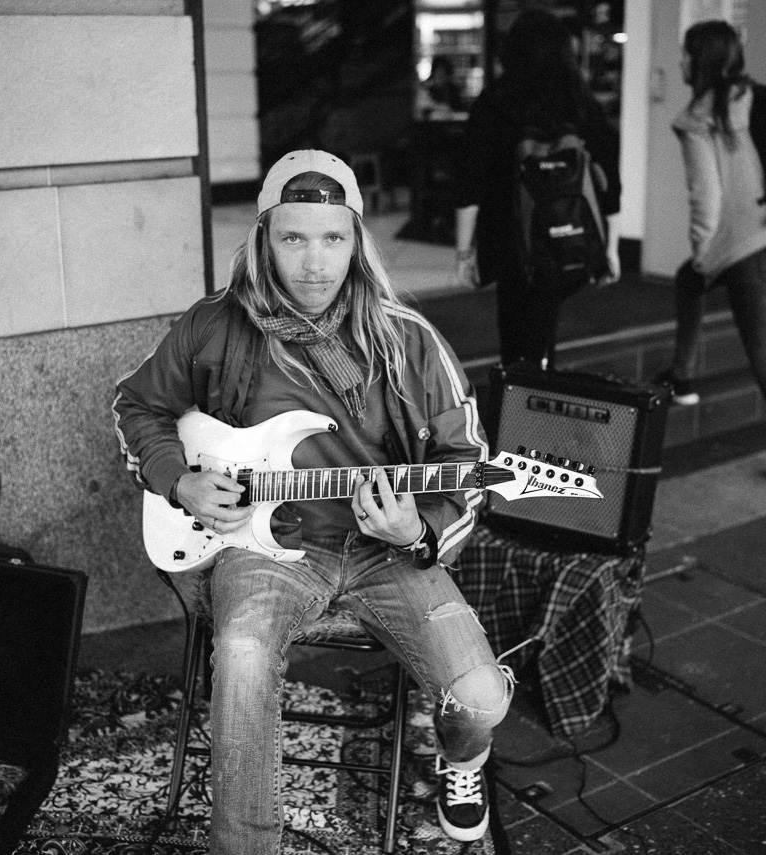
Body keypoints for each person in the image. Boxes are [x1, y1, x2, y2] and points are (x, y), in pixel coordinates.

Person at [112, 150, 514, 853]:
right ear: (264, 237)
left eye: (333, 237)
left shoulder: (408, 339)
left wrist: (417, 527)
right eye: (293, 237)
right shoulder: (215, 325)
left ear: (357, 240)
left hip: (389, 554)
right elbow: (137, 405)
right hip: (268, 549)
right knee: (238, 652)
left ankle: (464, 760)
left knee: (481, 695)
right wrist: (181, 481)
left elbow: (464, 462)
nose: (314, 262)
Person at [658, 19, 766, 488]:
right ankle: (683, 378)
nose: (680, 62)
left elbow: (705, 199)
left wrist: (703, 251)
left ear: (703, 60)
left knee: (764, 356)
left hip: (747, 250)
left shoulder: (698, 118)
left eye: (686, 53)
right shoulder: (762, 98)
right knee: (688, 281)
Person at [453, 9, 622, 368]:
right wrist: (612, 247)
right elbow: (610, 180)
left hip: (512, 240)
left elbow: (469, 183)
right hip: (571, 235)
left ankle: (522, 402)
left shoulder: (495, 101)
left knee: (515, 331)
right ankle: (539, 385)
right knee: (544, 323)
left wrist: (465, 252)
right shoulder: (581, 102)